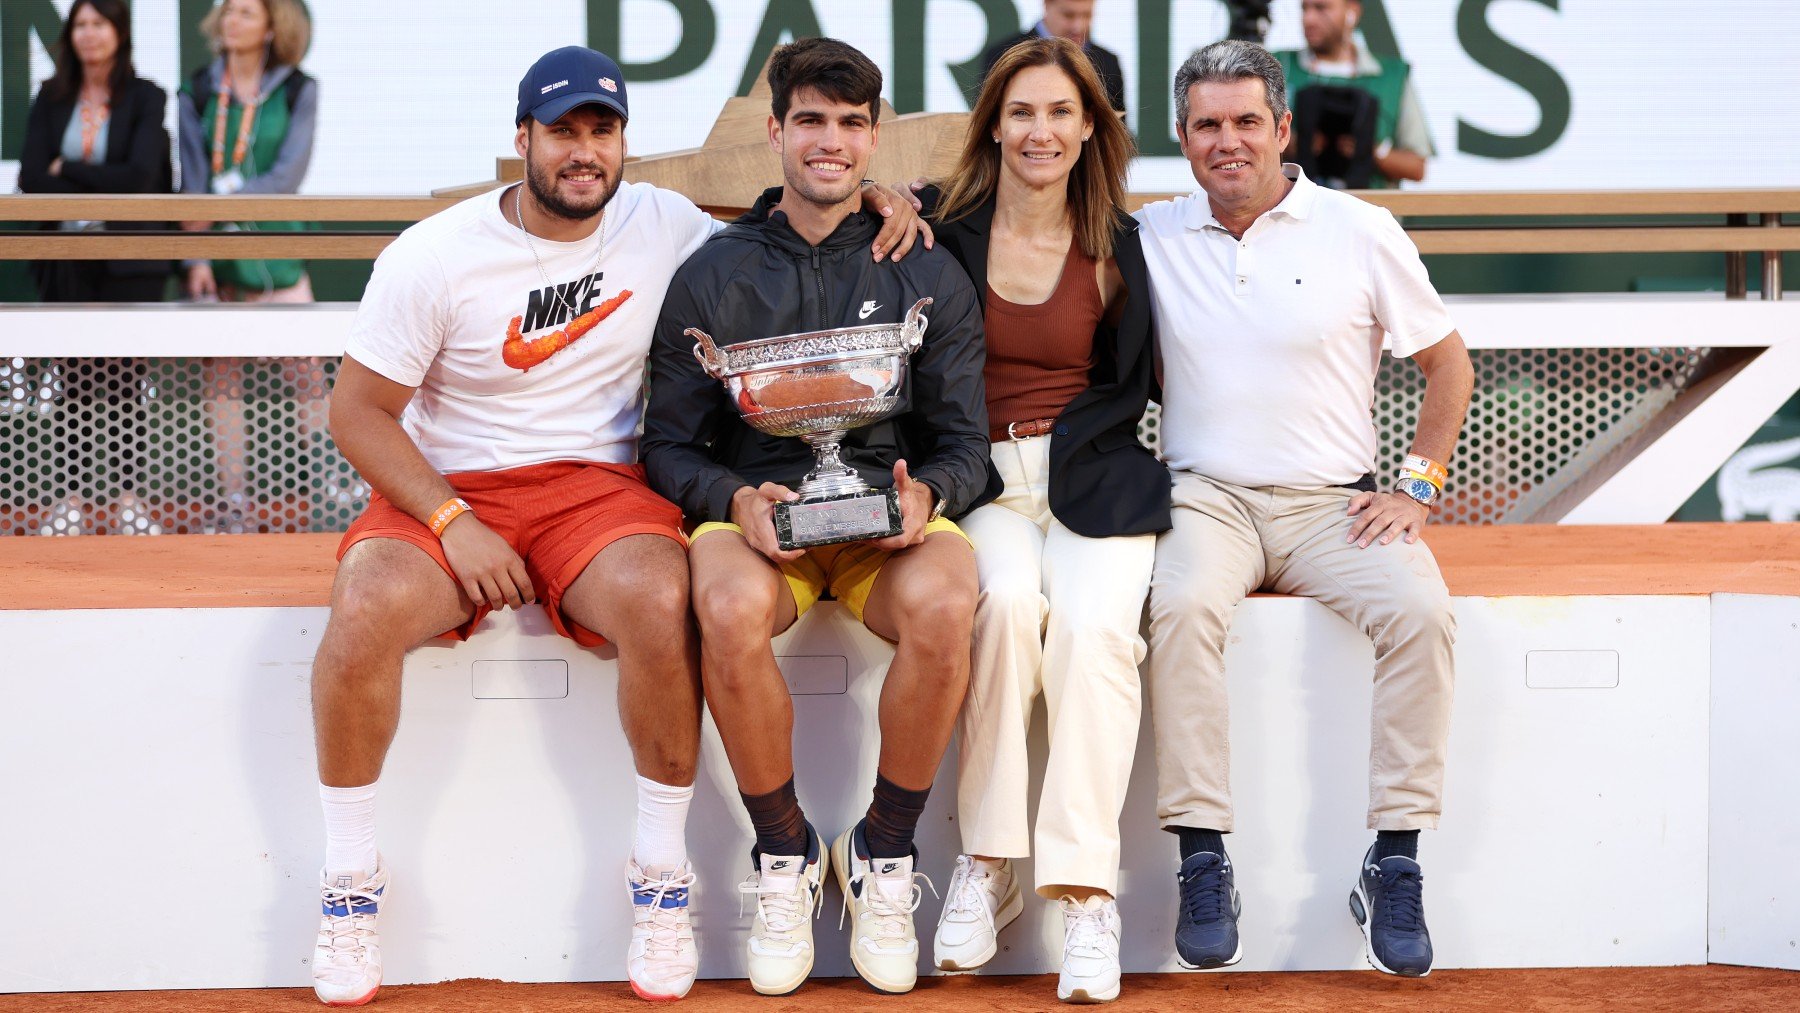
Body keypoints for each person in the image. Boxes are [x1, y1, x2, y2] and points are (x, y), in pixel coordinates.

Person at [308, 45, 929, 1007]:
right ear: (523, 140)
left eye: (602, 131)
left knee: (657, 594)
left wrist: (888, 195)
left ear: (624, 142)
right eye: (562, 132)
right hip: (454, 484)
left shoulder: (667, 223)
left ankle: (659, 880)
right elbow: (357, 412)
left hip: (597, 487)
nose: (583, 153)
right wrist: (450, 518)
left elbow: (800, 212)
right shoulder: (434, 254)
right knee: (364, 607)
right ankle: (348, 886)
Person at [642, 37, 988, 998]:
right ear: (776, 132)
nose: (829, 142)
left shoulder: (925, 266)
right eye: (810, 122)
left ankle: (882, 855)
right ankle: (785, 857)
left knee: (951, 600)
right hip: (761, 518)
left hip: (886, 519)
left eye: (849, 124)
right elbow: (666, 447)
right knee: (722, 606)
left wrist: (929, 497)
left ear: (874, 139)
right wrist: (734, 500)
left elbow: (967, 442)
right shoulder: (711, 275)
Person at [1136, 40, 1473, 978]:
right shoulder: (1154, 233)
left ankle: (1394, 861)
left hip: (1337, 502)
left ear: (1284, 129)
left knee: (1421, 613)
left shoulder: (1360, 229)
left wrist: (1417, 486)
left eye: (1248, 121)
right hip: (1207, 497)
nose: (1228, 141)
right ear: (1182, 135)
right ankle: (1202, 856)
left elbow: (1449, 364)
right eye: (1207, 124)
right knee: (1182, 607)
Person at [911, 37, 1167, 1005]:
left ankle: (1087, 890)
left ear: (1091, 126)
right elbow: (796, 211)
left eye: (1062, 112)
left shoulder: (1121, 245)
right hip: (980, 480)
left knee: (1097, 634)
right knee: (1008, 607)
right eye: (1022, 111)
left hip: (1091, 479)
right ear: (993, 124)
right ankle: (988, 857)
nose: (1041, 130)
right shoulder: (939, 226)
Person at [16, 0, 173, 537]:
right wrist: (91, 179)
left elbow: (140, 177)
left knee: (127, 382)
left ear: (118, 31)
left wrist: (72, 169)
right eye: (79, 24)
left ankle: (129, 498)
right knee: (72, 384)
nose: (88, 34)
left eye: (98, 23)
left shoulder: (147, 95)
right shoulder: (50, 95)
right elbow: (33, 179)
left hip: (132, 258)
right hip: (65, 260)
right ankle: (72, 499)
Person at [177, 0, 317, 302]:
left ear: (271, 30)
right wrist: (196, 258)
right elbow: (193, 185)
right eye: (228, 11)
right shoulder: (197, 90)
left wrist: (216, 208)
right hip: (215, 265)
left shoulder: (298, 89)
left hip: (279, 258)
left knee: (293, 348)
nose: (232, 21)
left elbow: (286, 178)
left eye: (246, 14)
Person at [1272, 0, 1433, 188]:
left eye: (1321, 8)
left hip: (1370, 209)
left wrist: (1369, 150)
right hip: (1291, 211)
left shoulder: (1391, 76)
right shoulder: (1277, 65)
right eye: (1304, 8)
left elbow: (1416, 167)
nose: (1308, 19)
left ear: (1352, 12)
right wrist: (1289, 144)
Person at [977, 1, 1126, 120]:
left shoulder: (1109, 62)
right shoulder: (1002, 54)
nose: (1078, 26)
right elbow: (984, 121)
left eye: (1087, 15)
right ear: (1046, 5)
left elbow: (1120, 132)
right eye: (1069, 15)